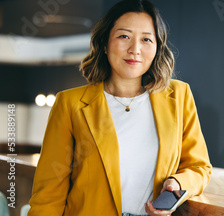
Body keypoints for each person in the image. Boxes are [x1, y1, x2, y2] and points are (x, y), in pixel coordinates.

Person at [27, 0, 212, 215]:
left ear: (157, 47)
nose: (135, 49)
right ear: (105, 44)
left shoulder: (179, 96)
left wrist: (176, 183)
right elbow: (48, 193)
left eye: (146, 39)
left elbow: (199, 167)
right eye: (124, 36)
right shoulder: (70, 104)